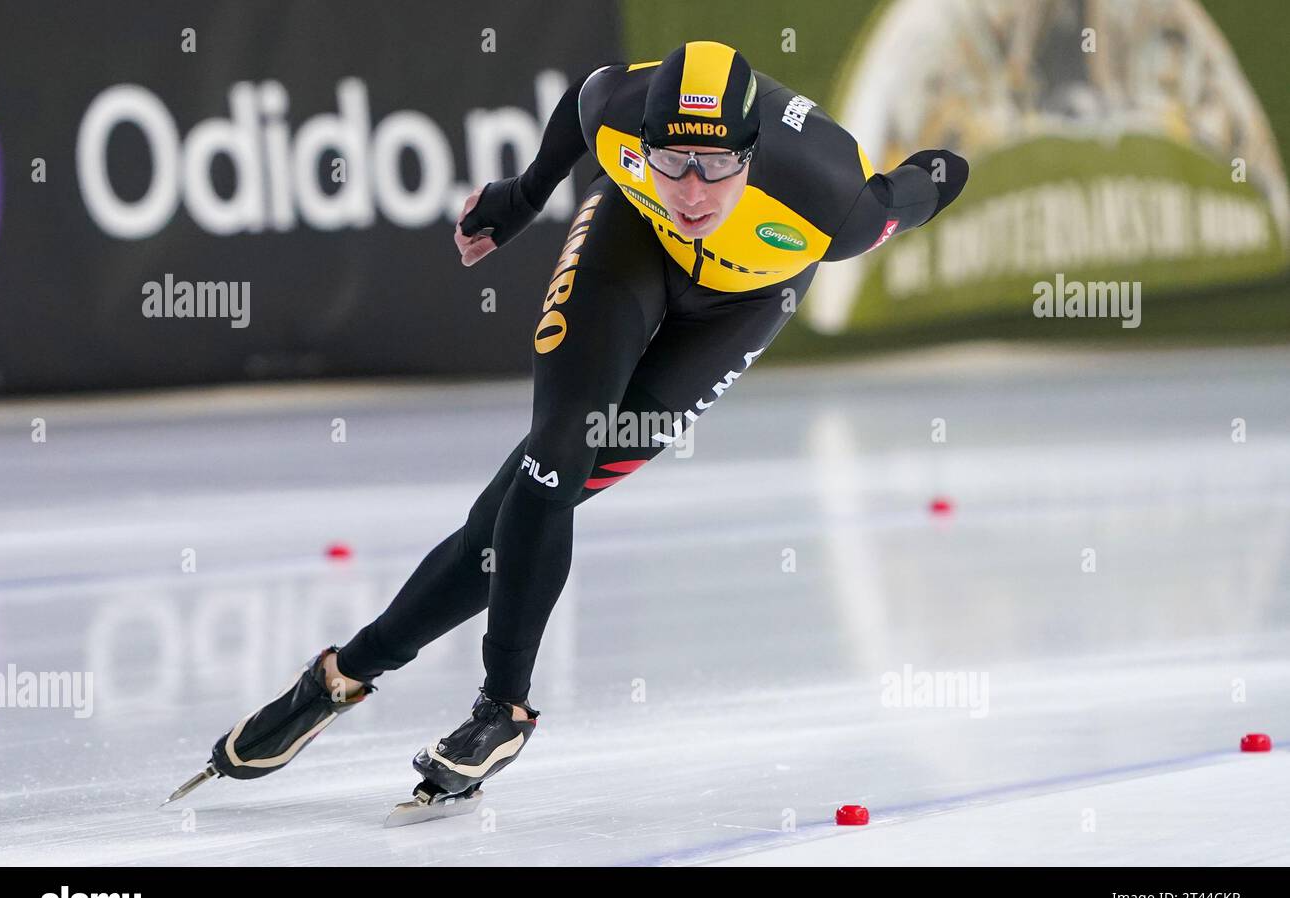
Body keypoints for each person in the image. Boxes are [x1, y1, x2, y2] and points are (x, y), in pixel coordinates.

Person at [175, 40, 968, 811]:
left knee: (503, 524)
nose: (693, 191)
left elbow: (923, 186)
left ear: (751, 153)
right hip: (627, 245)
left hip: (740, 308)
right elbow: (582, 99)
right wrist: (520, 198)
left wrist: (944, 162)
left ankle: (340, 678)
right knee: (554, 460)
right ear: (645, 143)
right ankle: (503, 711)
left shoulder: (838, 207)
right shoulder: (617, 115)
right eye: (673, 161)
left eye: (718, 166)